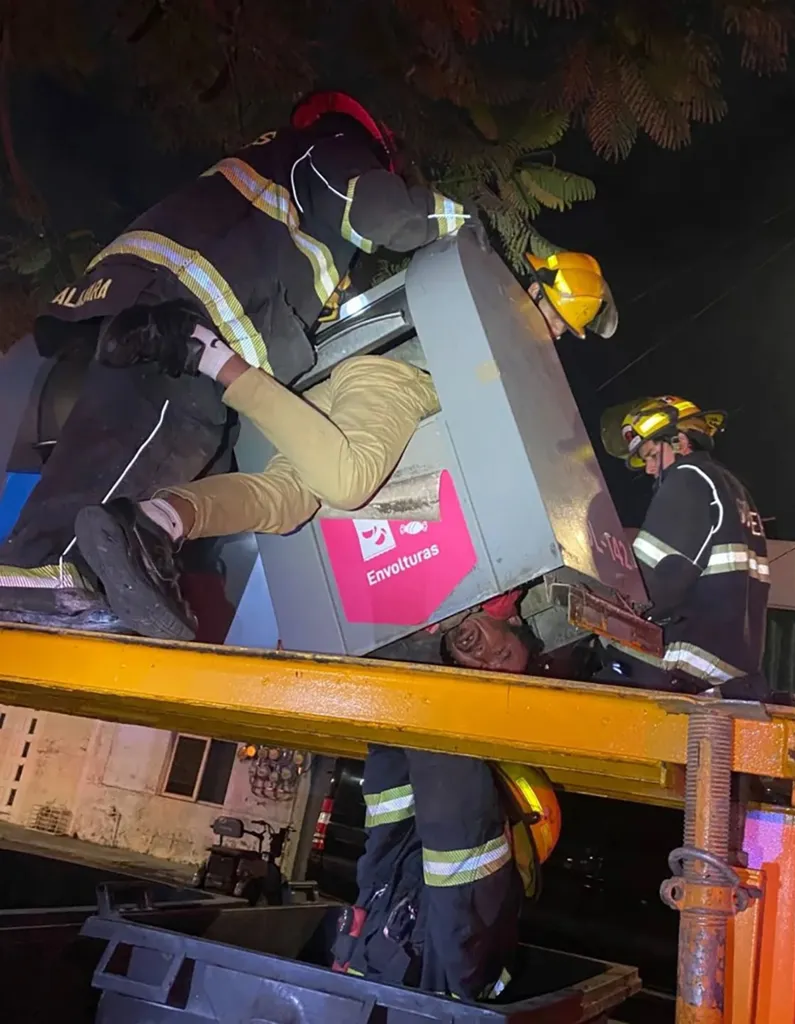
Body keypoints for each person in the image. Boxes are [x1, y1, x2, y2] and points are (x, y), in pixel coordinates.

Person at [0, 89, 476, 616]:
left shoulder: (267, 176)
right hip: (188, 318)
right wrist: (466, 224)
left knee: (131, 446)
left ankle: (84, 563)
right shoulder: (330, 150)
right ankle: (48, 574)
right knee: (159, 437)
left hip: (149, 298)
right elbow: (385, 215)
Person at [62, 251, 618, 640]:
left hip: (356, 393)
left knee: (285, 502)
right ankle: (208, 353)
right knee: (348, 482)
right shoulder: (506, 320)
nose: (558, 336)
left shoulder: (500, 311)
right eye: (561, 324)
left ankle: (156, 523)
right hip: (397, 384)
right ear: (545, 297)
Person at [334, 595, 562, 1002]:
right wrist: (410, 671)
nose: (489, 662)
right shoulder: (470, 903)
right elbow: (438, 802)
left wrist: (408, 669)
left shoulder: (478, 894)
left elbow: (446, 804)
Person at [597, 396, 771, 701]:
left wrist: (601, 601)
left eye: (652, 454)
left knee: (594, 669)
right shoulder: (734, 490)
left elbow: (649, 586)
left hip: (689, 657)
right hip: (734, 665)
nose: (649, 469)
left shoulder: (688, 478)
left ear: (679, 442)